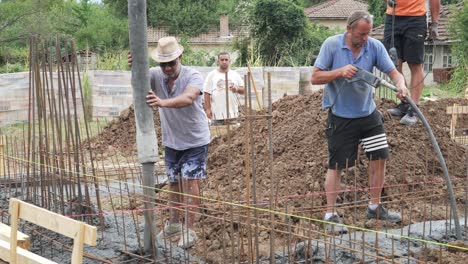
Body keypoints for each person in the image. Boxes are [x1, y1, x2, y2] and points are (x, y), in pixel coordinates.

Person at [311, 11, 409, 234]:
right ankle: (330, 214)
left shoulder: (374, 46)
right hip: (341, 116)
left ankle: (375, 207)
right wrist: (339, 72)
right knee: (337, 165)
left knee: (379, 157)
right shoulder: (332, 45)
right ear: (349, 29)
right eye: (361, 34)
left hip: (368, 114)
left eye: (368, 34)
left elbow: (394, 73)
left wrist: (401, 85)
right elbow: (315, 77)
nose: (365, 38)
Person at [129, 36, 210, 248]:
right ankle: (174, 223)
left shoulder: (193, 76)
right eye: (163, 64)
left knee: (190, 182)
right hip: (172, 141)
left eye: (171, 63)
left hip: (195, 140)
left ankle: (190, 230)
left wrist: (162, 102)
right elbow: (139, 80)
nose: (167, 68)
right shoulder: (156, 75)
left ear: (180, 57)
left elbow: (189, 98)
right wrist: (134, 65)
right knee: (174, 182)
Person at [384, 0, 440, 125]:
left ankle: (414, 107)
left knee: (415, 64)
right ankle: (405, 102)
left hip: (415, 18)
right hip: (392, 17)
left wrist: (435, 23)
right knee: (393, 64)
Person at [203, 51, 244, 124]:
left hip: (232, 114)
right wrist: (208, 109)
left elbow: (244, 90)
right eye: (222, 60)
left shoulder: (235, 75)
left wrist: (236, 88)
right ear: (218, 62)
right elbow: (206, 93)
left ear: (229, 61)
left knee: (234, 134)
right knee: (217, 134)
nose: (224, 62)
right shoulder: (212, 75)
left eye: (226, 60)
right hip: (217, 114)